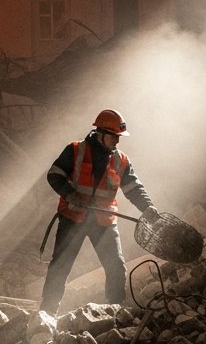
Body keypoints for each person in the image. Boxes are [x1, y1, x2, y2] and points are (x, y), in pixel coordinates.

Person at [40, 109, 158, 315]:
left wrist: (147, 207)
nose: (117, 142)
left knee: (116, 267)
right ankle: (47, 313)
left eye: (119, 137)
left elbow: (133, 188)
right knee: (60, 267)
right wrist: (70, 195)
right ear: (101, 133)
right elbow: (54, 175)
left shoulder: (121, 160)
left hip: (104, 222)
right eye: (114, 137)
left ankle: (115, 311)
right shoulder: (75, 150)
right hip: (73, 218)